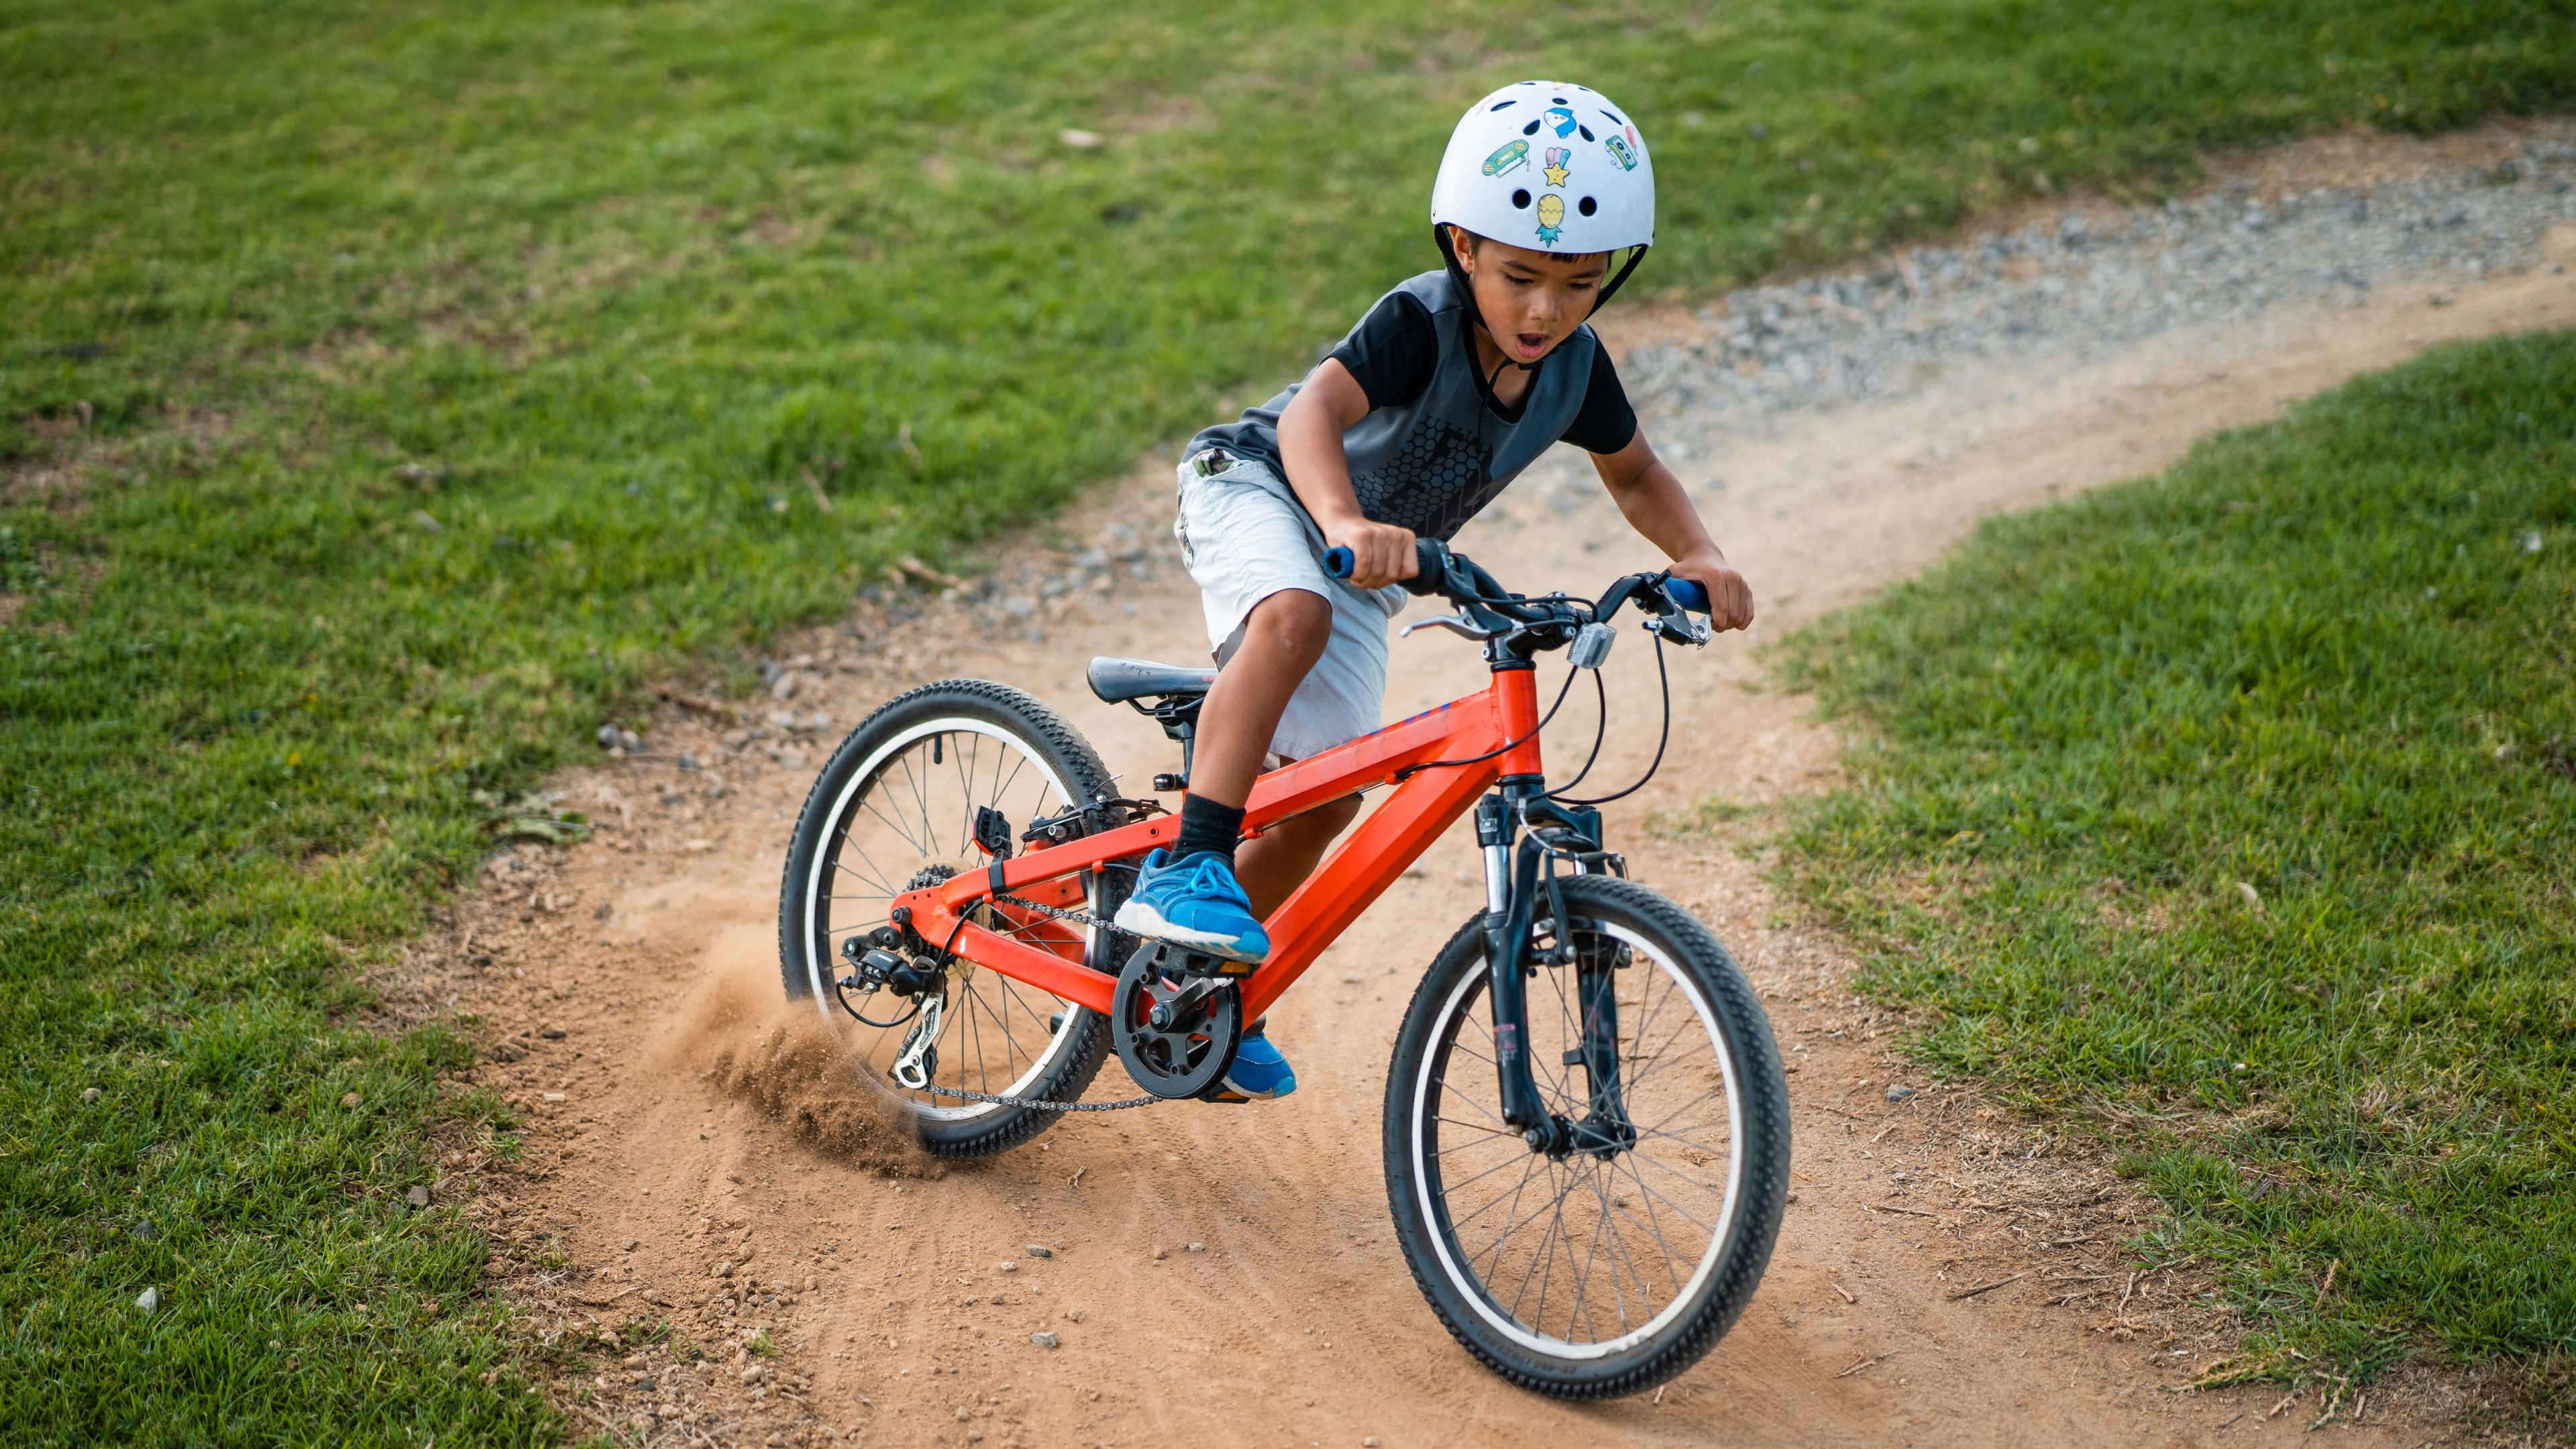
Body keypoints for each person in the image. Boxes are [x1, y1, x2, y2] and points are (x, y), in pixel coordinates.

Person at [1113, 81, 1756, 1099]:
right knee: (1293, 615)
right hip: (1260, 486)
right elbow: (1310, 417)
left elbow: (1636, 473)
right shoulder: (1424, 316)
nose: (1546, 309)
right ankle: (1186, 867)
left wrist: (1700, 555)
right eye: (1521, 276)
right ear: (1463, 246)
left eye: (1581, 283)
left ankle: (1199, 987)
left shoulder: (1577, 372)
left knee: (1326, 801)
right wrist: (1338, 523)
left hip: (1370, 567)